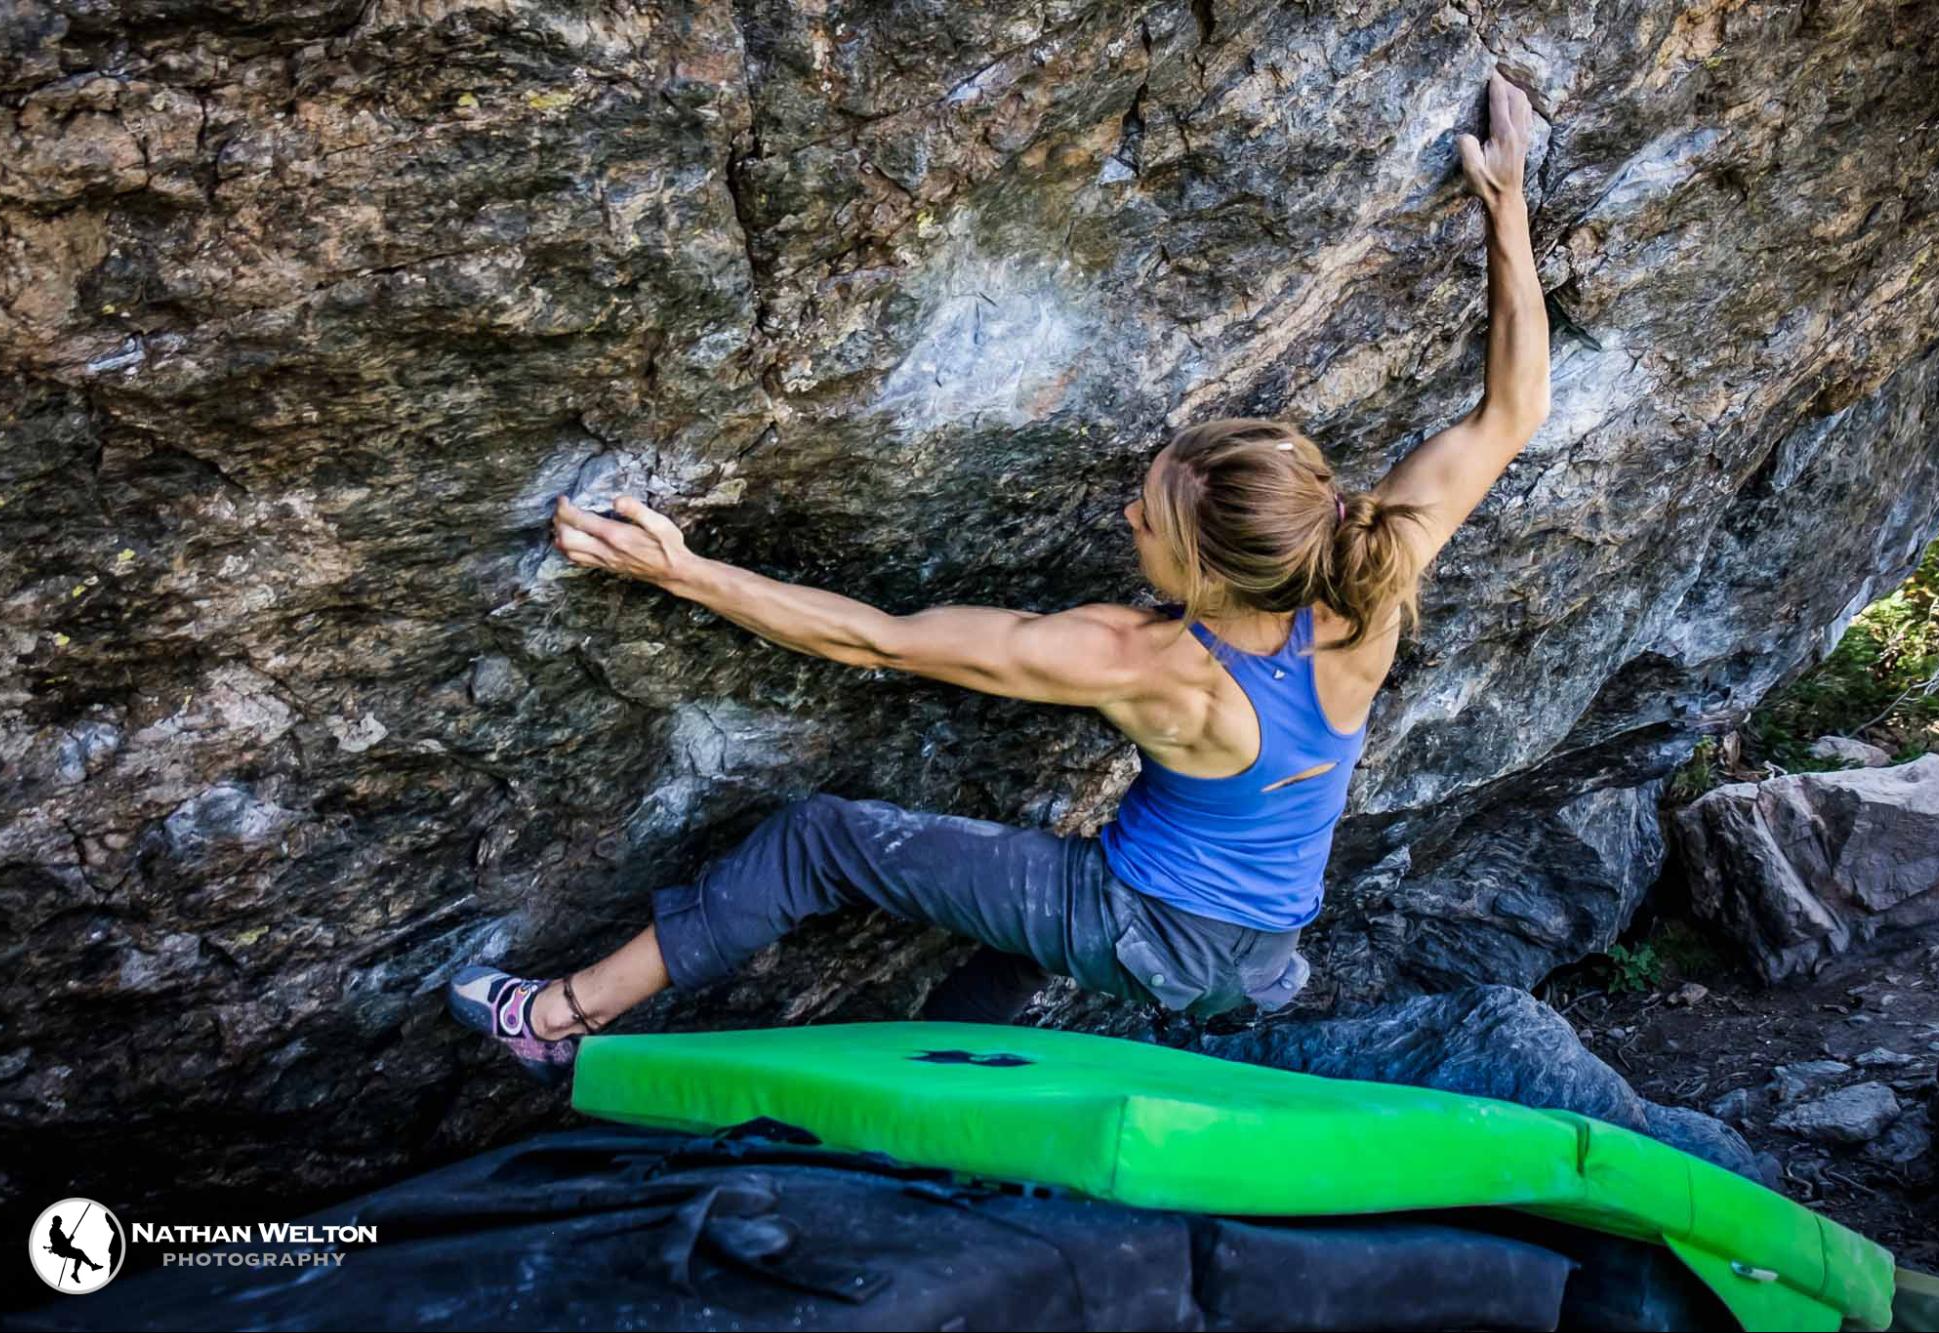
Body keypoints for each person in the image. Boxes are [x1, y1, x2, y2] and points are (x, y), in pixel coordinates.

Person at [449, 70, 1549, 1085]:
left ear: (1211, 577)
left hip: (1153, 933)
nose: (1128, 511)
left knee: (822, 838)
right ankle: (950, 1088)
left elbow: (876, 637)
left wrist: (682, 570)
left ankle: (552, 1021)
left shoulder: (1142, 661)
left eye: (1150, 517)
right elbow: (1513, 410)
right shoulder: (1368, 583)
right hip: (1260, 950)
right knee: (1017, 931)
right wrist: (1506, 200)